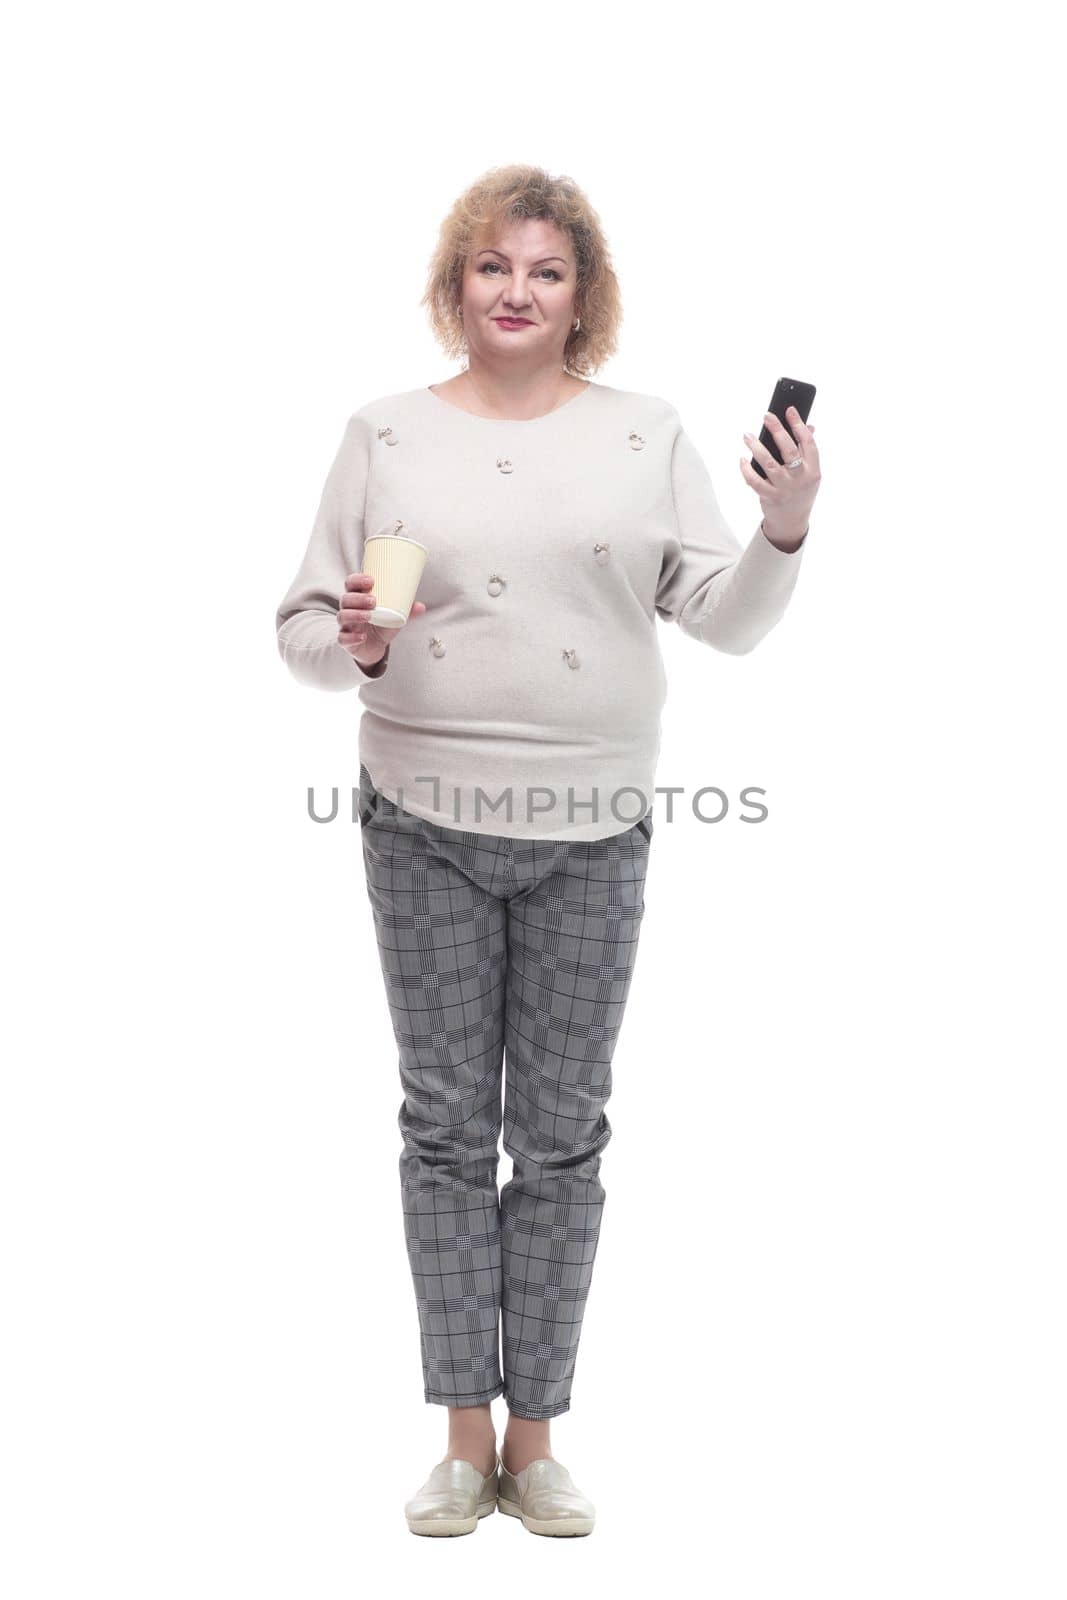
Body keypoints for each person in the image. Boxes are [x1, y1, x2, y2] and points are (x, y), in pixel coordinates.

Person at [275, 163, 821, 1538]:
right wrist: (351, 643)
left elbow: (728, 621)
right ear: (456, 286)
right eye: (492, 268)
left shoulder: (647, 433)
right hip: (420, 823)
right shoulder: (383, 434)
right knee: (447, 1130)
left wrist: (785, 527)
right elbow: (300, 637)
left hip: (594, 830)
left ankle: (540, 1437)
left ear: (585, 297)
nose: (517, 291)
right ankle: (463, 1442)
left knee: (562, 1138)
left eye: (547, 271)